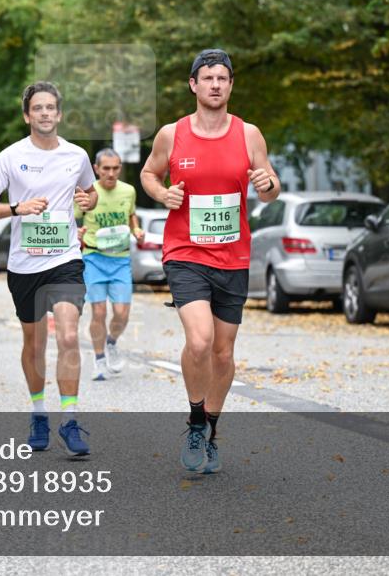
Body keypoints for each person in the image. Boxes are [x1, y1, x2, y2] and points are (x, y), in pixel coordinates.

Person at [140, 49, 280, 474]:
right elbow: (149, 173)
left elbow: (271, 187)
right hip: (185, 252)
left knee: (222, 352)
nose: (215, 84)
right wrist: (162, 194)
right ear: (193, 85)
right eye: (208, 78)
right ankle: (195, 417)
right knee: (199, 341)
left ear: (231, 85)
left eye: (223, 78)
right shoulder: (172, 133)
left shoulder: (249, 134)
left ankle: (211, 429)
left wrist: (266, 182)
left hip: (233, 255)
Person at [0, 82, 97, 456]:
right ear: (27, 115)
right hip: (25, 265)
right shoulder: (10, 157)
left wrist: (86, 199)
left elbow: (90, 194)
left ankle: (70, 420)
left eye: (50, 108)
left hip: (65, 260)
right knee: (35, 343)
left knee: (70, 336)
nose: (44, 113)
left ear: (59, 114)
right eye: (37, 108)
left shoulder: (76, 156)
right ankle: (39, 412)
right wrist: (15, 208)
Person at [75, 148, 144, 380]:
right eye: (106, 168)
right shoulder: (87, 192)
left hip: (120, 259)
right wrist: (76, 231)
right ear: (96, 169)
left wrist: (136, 229)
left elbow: (131, 214)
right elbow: (73, 217)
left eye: (115, 168)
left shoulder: (129, 191)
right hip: (94, 257)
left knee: (122, 313)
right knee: (99, 311)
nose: (111, 173)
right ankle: (99, 360)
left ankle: (111, 343)